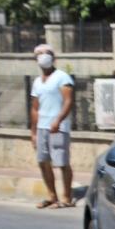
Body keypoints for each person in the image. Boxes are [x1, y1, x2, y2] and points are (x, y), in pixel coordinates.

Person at [30, 43, 76, 208]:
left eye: (46, 52)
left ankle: (67, 197)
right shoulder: (37, 82)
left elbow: (68, 101)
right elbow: (35, 108)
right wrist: (33, 131)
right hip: (42, 127)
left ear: (53, 57)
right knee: (43, 162)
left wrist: (58, 120)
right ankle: (52, 196)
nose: (43, 55)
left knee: (62, 162)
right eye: (39, 53)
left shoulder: (62, 77)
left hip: (59, 127)